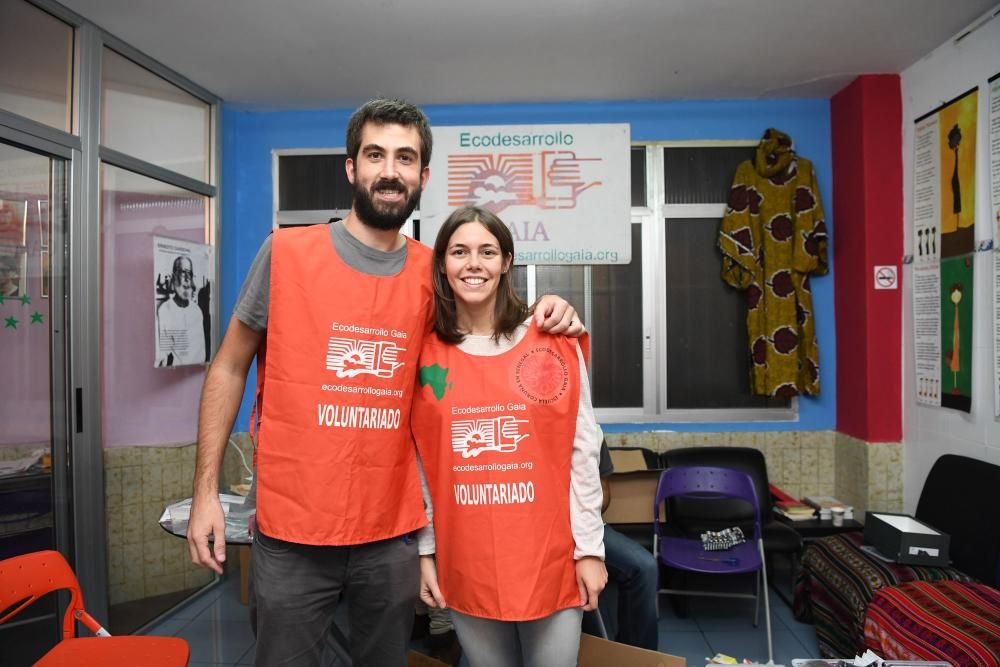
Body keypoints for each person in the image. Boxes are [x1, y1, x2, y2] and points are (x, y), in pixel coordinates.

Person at [185, 98, 582, 666]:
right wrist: (205, 492)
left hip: (389, 537)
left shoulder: (433, 274)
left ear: (423, 175)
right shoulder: (287, 253)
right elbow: (227, 365)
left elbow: (487, 338)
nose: (389, 171)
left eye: (405, 158)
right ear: (352, 168)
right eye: (375, 155)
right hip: (293, 531)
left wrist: (551, 312)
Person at [413, 206, 606, 667]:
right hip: (466, 560)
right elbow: (420, 463)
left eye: (487, 251)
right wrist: (426, 551)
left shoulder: (551, 339)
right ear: (442, 264)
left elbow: (582, 452)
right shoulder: (423, 356)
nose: (473, 263)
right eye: (460, 251)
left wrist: (590, 551)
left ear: (506, 262)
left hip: (550, 558)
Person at [585, 440, 660, 650]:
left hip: (588, 525)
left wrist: (583, 509)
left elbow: (605, 492)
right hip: (545, 530)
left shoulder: (591, 431)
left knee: (644, 567)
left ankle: (636, 655)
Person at [156, 255, 206, 366]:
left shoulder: (197, 311)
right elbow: (163, 356)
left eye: (190, 273)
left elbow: (201, 354)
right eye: (183, 272)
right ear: (174, 276)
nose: (187, 278)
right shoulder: (164, 310)